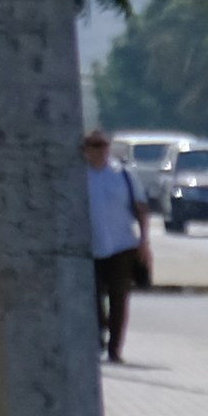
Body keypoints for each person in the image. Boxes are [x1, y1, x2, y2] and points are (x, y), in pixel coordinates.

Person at [81, 131, 145, 361]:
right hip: (90, 247)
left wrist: (144, 242)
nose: (98, 151)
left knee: (119, 299)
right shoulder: (79, 176)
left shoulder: (123, 174)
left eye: (102, 146)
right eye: (93, 146)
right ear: (85, 150)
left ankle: (115, 349)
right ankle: (97, 340)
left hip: (123, 245)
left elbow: (140, 208)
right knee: (93, 298)